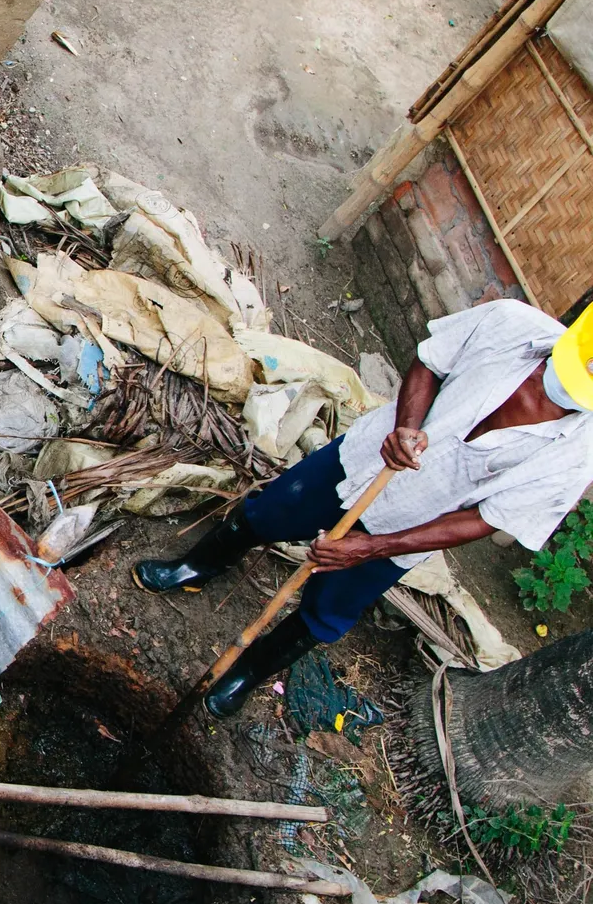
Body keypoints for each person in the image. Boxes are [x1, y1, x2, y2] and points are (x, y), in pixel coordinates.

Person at [133, 299, 593, 717]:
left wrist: (372, 547)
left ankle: (246, 673)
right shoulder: (510, 323)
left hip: (410, 526)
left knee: (327, 611)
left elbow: (486, 518)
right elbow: (431, 362)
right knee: (269, 513)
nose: (562, 392)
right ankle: (197, 566)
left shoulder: (581, 453)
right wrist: (406, 427)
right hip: (362, 458)